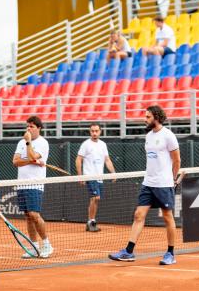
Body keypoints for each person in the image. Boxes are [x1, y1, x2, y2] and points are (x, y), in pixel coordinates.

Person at [109, 105, 181, 265]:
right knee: (138, 215)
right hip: (148, 183)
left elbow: (177, 160)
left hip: (164, 184)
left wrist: (172, 179)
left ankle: (170, 253)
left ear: (157, 117)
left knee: (168, 217)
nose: (145, 119)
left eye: (148, 117)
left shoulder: (168, 136)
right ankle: (128, 252)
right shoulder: (148, 136)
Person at [12, 115, 54, 258]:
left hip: (35, 183)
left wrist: (28, 142)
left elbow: (31, 156)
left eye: (32, 126)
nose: (28, 129)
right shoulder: (20, 142)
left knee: (34, 215)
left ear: (39, 128)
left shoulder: (43, 143)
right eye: (27, 126)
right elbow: (15, 161)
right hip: (21, 183)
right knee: (28, 216)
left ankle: (47, 244)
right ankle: (34, 247)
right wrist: (31, 160)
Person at [75, 123, 116, 232]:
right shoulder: (86, 144)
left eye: (96, 131)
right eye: (92, 131)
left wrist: (113, 173)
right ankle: (92, 222)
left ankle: (90, 222)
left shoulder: (103, 145)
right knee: (95, 198)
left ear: (100, 132)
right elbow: (78, 159)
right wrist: (80, 176)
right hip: (90, 176)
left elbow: (107, 160)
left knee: (96, 200)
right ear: (90, 132)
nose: (94, 133)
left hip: (99, 177)